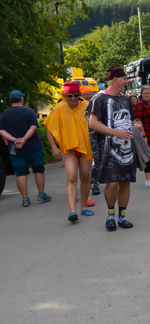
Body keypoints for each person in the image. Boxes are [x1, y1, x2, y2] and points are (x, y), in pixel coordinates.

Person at [87, 66, 140, 231]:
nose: (126, 82)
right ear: (116, 79)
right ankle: (110, 215)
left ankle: (122, 216)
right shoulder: (99, 99)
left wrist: (137, 127)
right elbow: (92, 123)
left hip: (127, 148)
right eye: (124, 78)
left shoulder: (125, 99)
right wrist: (115, 133)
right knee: (113, 183)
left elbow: (132, 120)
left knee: (125, 182)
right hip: (108, 149)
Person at [44, 81, 94, 222]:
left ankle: (83, 207)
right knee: (71, 177)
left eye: (76, 95)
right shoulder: (59, 109)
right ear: (64, 96)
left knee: (85, 177)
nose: (73, 99)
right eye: (69, 96)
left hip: (85, 149)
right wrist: (54, 147)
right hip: (69, 150)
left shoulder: (87, 107)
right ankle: (72, 211)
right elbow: (49, 129)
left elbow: (96, 124)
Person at [0, 90, 51, 207]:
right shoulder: (29, 111)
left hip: (15, 149)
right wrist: (24, 139)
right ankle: (41, 194)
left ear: (10, 100)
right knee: (38, 169)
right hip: (33, 147)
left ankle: (25, 199)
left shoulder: (4, 115)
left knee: (20, 173)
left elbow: (1, 131)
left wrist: (14, 140)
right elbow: (33, 128)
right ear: (21, 99)